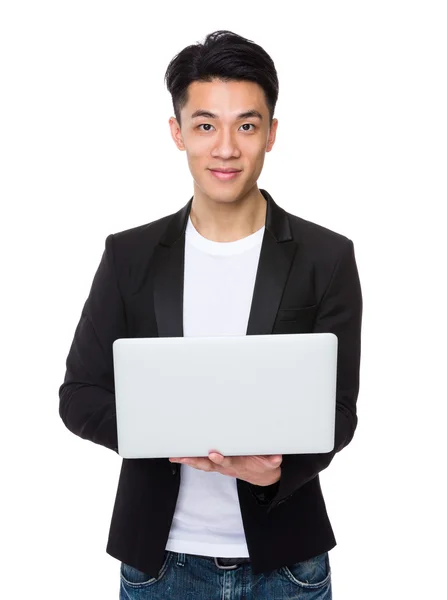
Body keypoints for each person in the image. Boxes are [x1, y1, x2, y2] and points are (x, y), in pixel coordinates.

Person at [59, 29, 362, 599]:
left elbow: (339, 411)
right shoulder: (129, 256)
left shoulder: (326, 257)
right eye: (205, 125)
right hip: (158, 563)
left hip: (288, 566)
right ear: (177, 133)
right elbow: (78, 395)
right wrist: (165, 432)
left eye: (246, 125)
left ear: (271, 133)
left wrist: (278, 470)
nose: (226, 148)